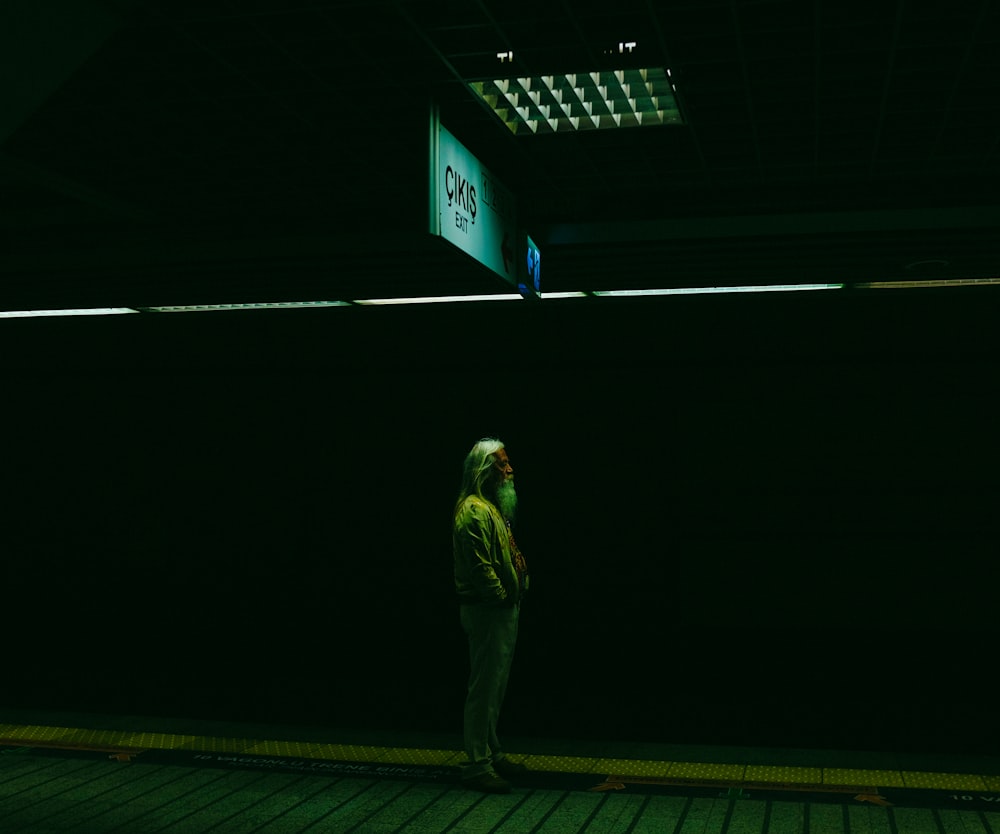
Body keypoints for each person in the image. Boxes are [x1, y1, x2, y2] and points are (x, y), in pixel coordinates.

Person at [453, 437, 530, 793]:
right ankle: (476, 763)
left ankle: (490, 750)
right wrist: (501, 597)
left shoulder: (488, 508)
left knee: (494, 684)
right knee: (484, 686)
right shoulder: (473, 511)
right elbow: (481, 568)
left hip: (499, 609)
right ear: (484, 470)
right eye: (501, 464)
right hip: (488, 611)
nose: (509, 469)